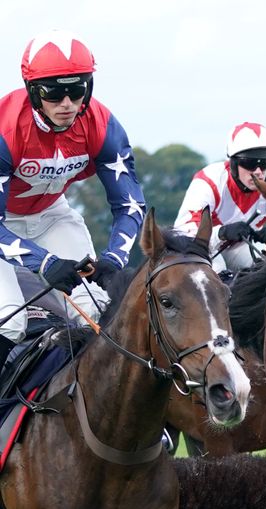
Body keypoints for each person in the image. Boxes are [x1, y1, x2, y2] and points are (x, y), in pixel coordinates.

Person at [0, 30, 145, 363]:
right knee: (10, 321)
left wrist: (114, 259)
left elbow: (130, 204)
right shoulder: (5, 130)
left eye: (76, 90)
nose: (66, 104)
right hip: (2, 222)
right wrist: (43, 261)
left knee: (97, 309)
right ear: (33, 92)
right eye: (53, 92)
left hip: (52, 214)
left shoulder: (103, 126)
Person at [173, 122, 266, 273]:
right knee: (218, 268)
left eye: (264, 163)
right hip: (201, 248)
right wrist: (222, 233)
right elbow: (181, 234)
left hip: (239, 246)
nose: (259, 171)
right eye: (250, 163)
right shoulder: (209, 180)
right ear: (233, 163)